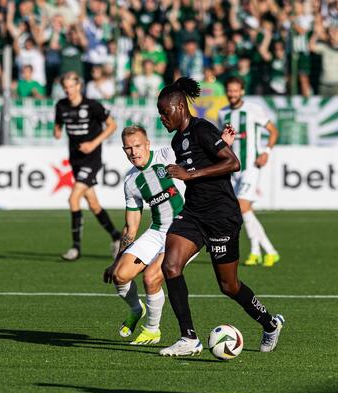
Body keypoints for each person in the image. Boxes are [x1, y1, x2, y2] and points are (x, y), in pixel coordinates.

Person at [156, 77, 285, 357]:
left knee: (229, 286)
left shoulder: (202, 129)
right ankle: (188, 337)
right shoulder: (178, 140)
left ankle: (270, 323)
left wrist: (191, 173)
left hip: (221, 216)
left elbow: (233, 163)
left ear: (179, 107)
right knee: (170, 266)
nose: (162, 118)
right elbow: (205, 163)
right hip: (193, 214)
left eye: (165, 113)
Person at [103, 124, 234, 346]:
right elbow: (130, 227)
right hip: (157, 231)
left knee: (151, 277)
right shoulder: (131, 182)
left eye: (137, 146)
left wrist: (222, 144)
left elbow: (198, 157)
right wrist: (116, 261)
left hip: (185, 230)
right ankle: (137, 309)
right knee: (120, 275)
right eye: (128, 148)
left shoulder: (167, 155)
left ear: (147, 144)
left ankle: (153, 330)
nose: (134, 152)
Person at [54, 71, 120, 261]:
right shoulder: (61, 106)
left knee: (73, 199)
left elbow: (112, 125)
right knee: (93, 204)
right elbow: (58, 125)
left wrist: (93, 143)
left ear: (79, 86)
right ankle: (116, 237)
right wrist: (57, 131)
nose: (68, 91)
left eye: (71, 87)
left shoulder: (92, 106)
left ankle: (75, 248)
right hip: (75, 159)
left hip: (92, 158)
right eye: (65, 88)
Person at [218, 77, 280, 267]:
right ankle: (259, 251)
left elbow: (273, 131)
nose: (233, 94)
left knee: (242, 206)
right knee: (245, 210)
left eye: (236, 90)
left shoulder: (253, 110)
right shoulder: (223, 113)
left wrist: (266, 152)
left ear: (242, 91)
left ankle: (267, 250)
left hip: (251, 166)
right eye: (230, 90)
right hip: (234, 169)